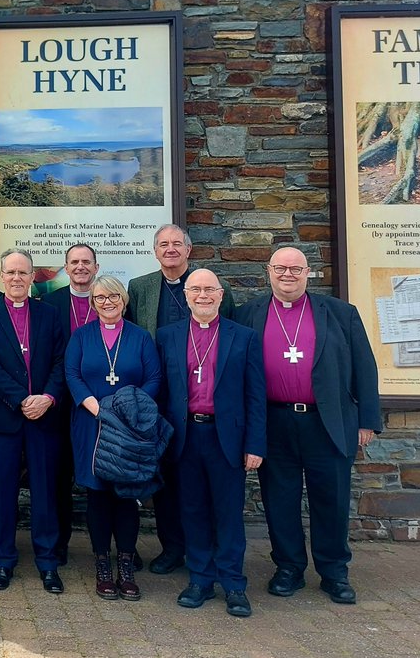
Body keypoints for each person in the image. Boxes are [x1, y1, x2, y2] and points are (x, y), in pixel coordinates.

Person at [234, 246, 381, 605]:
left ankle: (334, 573)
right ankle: (289, 568)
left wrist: (367, 421)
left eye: (295, 269)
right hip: (274, 421)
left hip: (327, 422)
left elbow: (365, 367)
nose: (288, 274)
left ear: (308, 273)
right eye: (281, 268)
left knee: (330, 499)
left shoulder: (339, 313)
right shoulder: (247, 313)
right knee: (279, 499)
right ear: (268, 271)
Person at [125, 224, 235, 575]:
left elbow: (230, 339)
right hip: (161, 402)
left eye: (177, 244)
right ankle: (172, 547)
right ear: (154, 252)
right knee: (168, 480)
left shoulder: (213, 287)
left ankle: (213, 552)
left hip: (204, 400)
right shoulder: (139, 288)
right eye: (163, 244)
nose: (170, 249)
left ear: (188, 250)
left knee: (210, 484)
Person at [157, 268, 266, 617]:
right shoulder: (167, 335)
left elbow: (255, 395)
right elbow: (161, 393)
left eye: (210, 290)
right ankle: (200, 579)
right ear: (186, 295)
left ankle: (234, 583)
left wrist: (255, 444)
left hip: (227, 437)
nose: (202, 296)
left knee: (229, 513)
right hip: (186, 435)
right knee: (192, 510)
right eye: (196, 290)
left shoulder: (244, 337)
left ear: (221, 295)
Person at [0, 250, 68, 593]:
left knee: (44, 492)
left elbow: (61, 361)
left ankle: (47, 563)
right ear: (1, 277)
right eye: (10, 272)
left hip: (44, 417)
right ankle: (4, 561)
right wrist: (21, 398)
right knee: (5, 493)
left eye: (22, 273)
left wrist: (48, 398)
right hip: (4, 419)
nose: (16, 278)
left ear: (31, 277)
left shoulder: (50, 314)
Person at [66, 275, 162, 601]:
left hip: (129, 428)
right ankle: (102, 564)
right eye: (100, 298)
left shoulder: (140, 337)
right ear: (92, 303)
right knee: (98, 496)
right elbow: (72, 375)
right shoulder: (81, 337)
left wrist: (126, 410)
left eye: (114, 297)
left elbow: (154, 378)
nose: (108, 303)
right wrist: (97, 409)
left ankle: (126, 564)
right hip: (91, 425)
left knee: (125, 495)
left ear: (124, 300)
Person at [38, 242, 99, 567]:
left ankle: (103, 546)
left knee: (100, 476)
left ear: (96, 268)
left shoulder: (108, 301)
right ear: (66, 267)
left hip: (97, 406)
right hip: (59, 406)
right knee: (58, 478)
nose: (80, 267)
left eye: (86, 262)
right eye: (74, 262)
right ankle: (59, 543)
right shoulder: (50, 303)